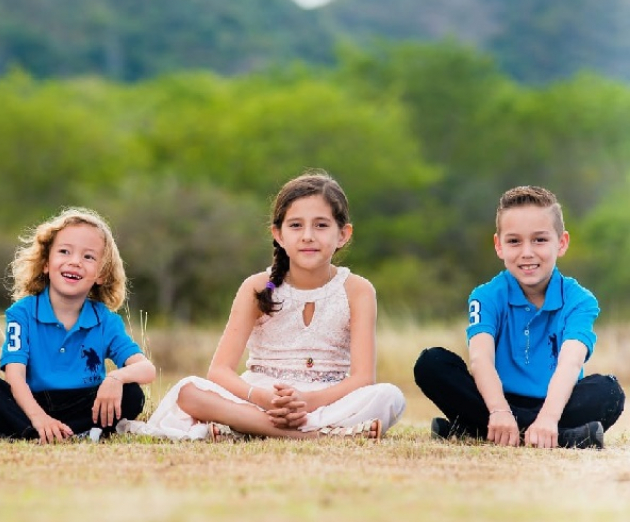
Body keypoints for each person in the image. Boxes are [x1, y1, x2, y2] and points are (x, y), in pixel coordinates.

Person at [124, 170, 406, 441]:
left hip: (326, 398)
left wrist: (306, 402)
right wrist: (261, 398)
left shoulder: (358, 290)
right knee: (188, 391)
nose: (308, 235)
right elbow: (219, 370)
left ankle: (245, 428)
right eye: (296, 225)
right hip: (260, 396)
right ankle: (312, 435)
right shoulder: (257, 287)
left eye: (321, 225)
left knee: (389, 397)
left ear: (343, 234)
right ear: (278, 234)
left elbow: (362, 378)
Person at [414, 185, 625, 449]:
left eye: (540, 240)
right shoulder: (486, 296)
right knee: (431, 364)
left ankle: (475, 430)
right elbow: (481, 360)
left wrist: (548, 417)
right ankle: (565, 437)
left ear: (561, 243)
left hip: (555, 403)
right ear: (499, 246)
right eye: (514, 241)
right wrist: (500, 412)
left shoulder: (581, 300)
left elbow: (570, 363)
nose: (527, 252)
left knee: (610, 393)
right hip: (495, 400)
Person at [0, 207, 155, 443]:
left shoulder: (106, 320)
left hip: (83, 404)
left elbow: (147, 369)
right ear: (46, 263)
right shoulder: (22, 313)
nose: (75, 262)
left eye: (88, 257)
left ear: (101, 274)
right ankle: (37, 430)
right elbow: (15, 377)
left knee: (132, 394)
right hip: (30, 402)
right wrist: (39, 417)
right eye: (64, 252)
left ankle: (32, 431)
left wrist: (115, 379)